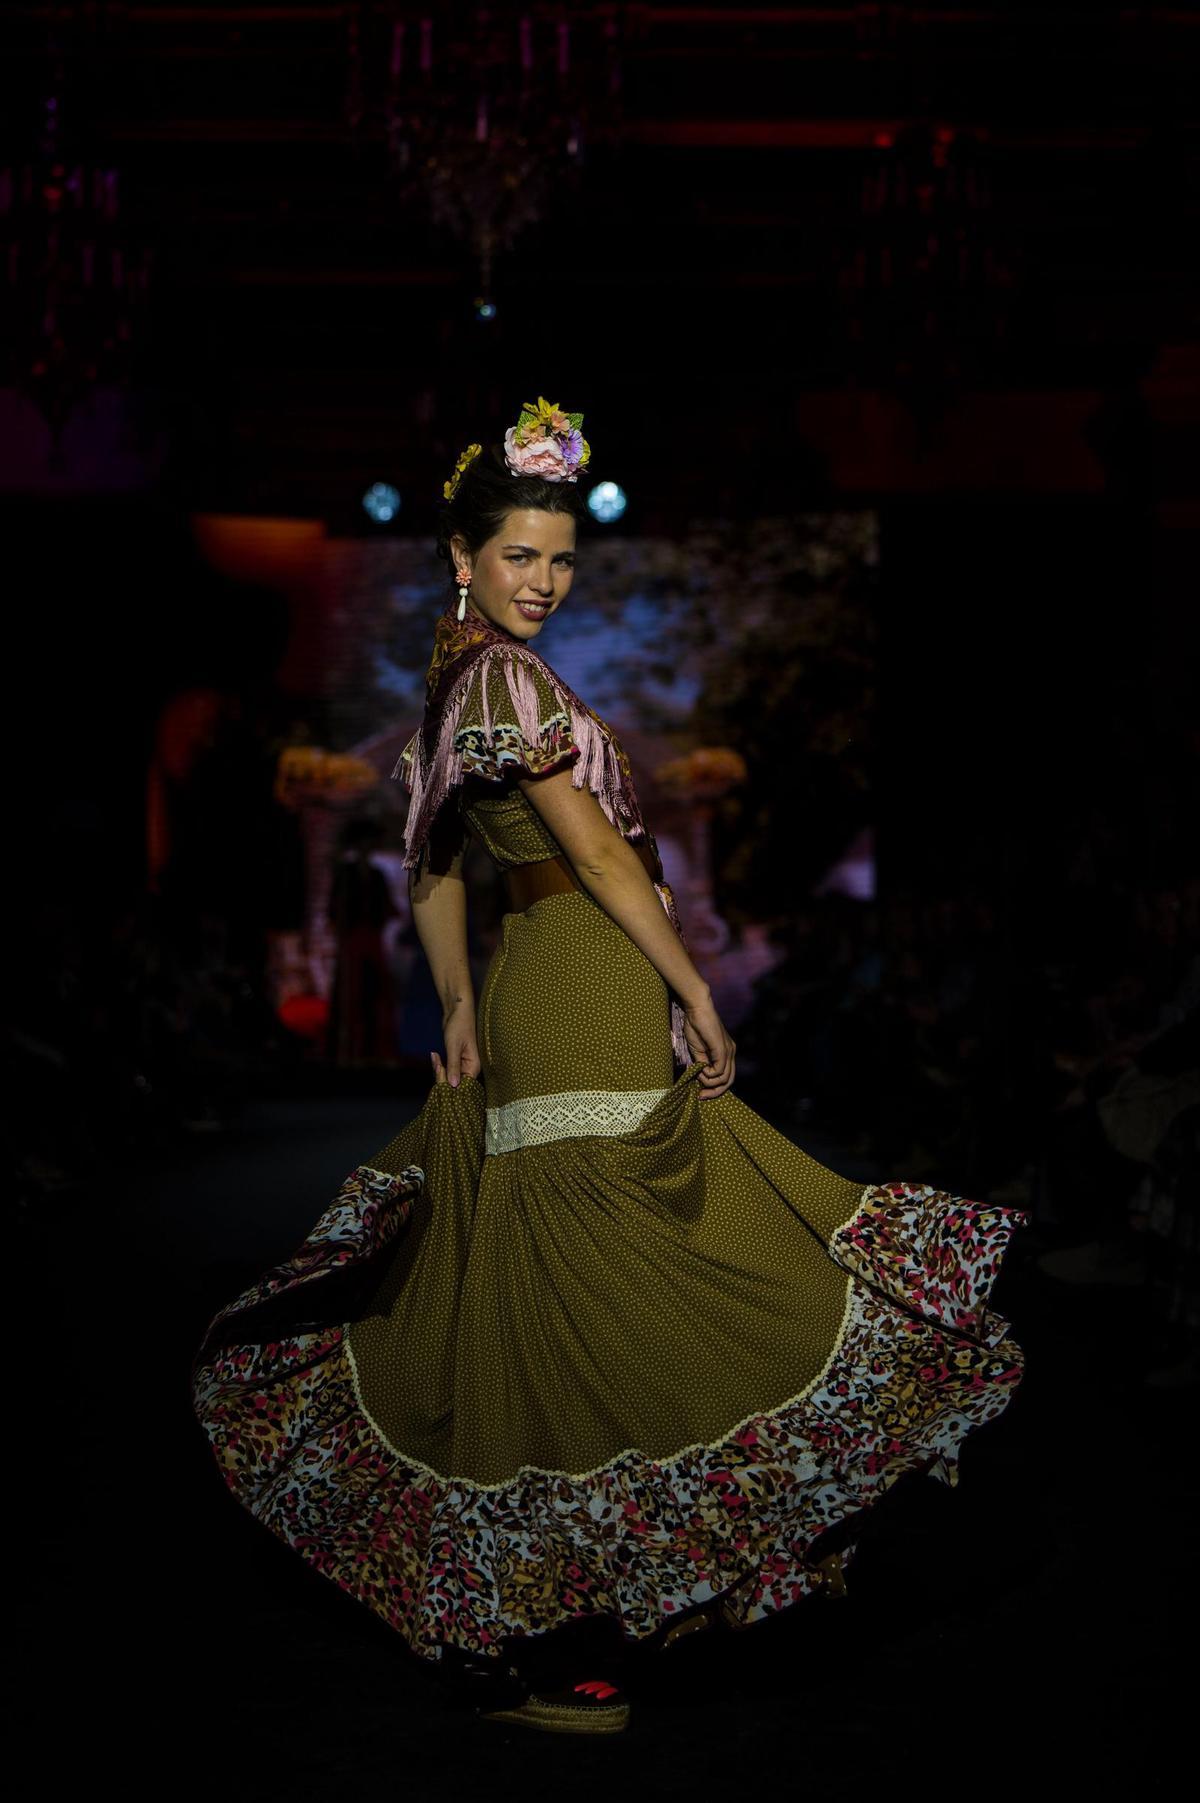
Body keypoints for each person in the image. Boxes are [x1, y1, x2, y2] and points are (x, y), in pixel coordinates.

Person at [191, 397, 1031, 1737]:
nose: (544, 580)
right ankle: (580, 1605)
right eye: (519, 554)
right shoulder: (508, 684)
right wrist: (692, 981)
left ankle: (556, 1602)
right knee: (630, 1252)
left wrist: (462, 1003)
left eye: (560, 558)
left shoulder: (451, 686)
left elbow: (440, 872)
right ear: (462, 559)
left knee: (563, 1267)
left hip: (547, 988)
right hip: (584, 977)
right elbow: (588, 857)